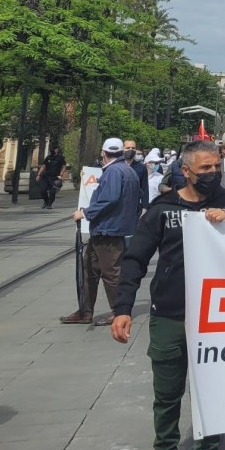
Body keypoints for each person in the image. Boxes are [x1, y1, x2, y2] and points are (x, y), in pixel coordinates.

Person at [111, 140, 225, 450]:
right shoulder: (162, 209)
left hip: (215, 320)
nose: (213, 174)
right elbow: (135, 259)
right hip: (170, 315)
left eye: (215, 167)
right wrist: (123, 307)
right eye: (204, 169)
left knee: (211, 396)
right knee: (167, 395)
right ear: (185, 171)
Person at [60, 138, 141, 326]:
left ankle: (118, 311)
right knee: (88, 268)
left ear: (103, 154)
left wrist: (86, 213)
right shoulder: (127, 170)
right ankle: (85, 310)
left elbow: (109, 199)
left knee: (111, 273)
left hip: (109, 230)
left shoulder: (113, 171)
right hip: (109, 229)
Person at [124, 138, 151, 210]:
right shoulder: (116, 166)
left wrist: (145, 207)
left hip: (133, 207)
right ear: (123, 149)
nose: (130, 150)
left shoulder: (141, 168)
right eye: (128, 148)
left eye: (133, 148)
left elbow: (144, 188)